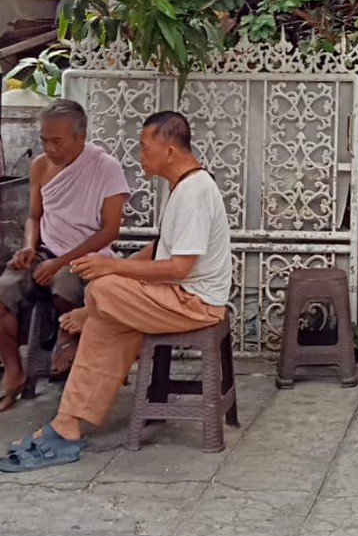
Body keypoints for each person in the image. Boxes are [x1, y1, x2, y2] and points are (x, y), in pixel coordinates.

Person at [0, 109, 232, 471]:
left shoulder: (195, 192)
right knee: (106, 321)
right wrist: (116, 276)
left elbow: (180, 268)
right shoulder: (184, 187)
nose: (140, 156)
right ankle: (68, 426)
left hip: (195, 303)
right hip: (172, 296)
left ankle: (88, 314)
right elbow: (159, 250)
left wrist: (112, 267)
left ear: (169, 150)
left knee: (103, 291)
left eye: (144, 147)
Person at [0, 101, 130, 412]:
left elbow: (110, 231)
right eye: (44, 140)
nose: (50, 148)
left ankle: (66, 339)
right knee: (3, 290)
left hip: (88, 256)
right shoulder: (40, 166)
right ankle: (14, 371)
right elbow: (34, 216)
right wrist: (29, 247)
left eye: (57, 141)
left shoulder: (106, 167)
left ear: (80, 137)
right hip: (45, 252)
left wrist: (59, 263)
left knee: (64, 285)